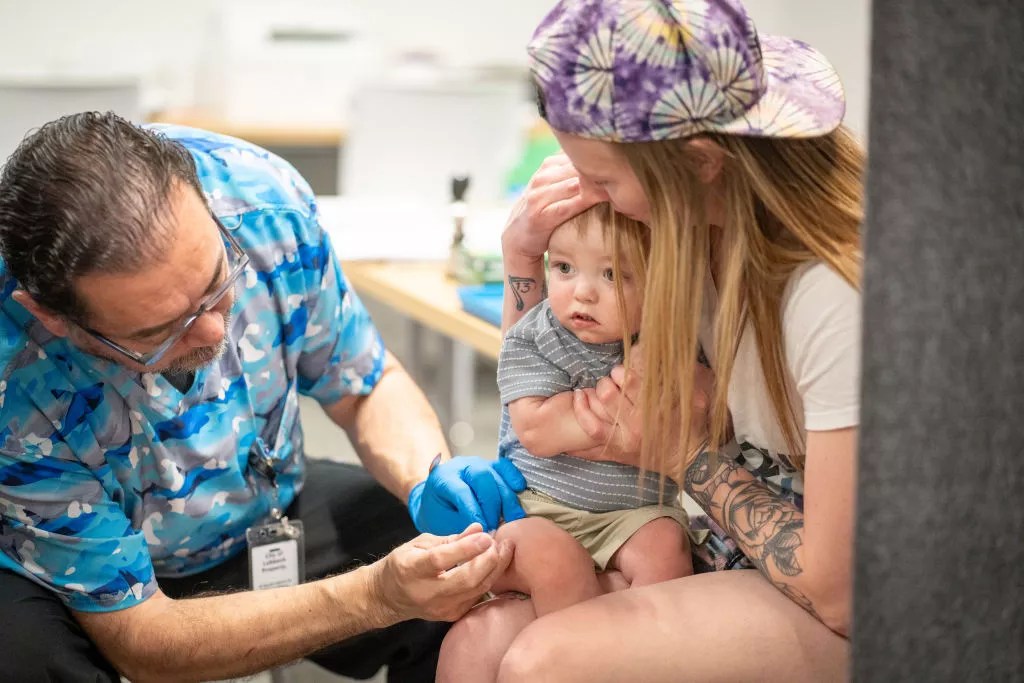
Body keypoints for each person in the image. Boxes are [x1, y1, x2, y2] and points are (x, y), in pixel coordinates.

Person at [0, 112, 524, 683]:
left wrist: (429, 478)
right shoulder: (13, 375)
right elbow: (141, 639)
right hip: (85, 572)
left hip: (264, 505)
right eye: (159, 332)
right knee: (25, 661)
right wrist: (375, 595)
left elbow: (365, 384)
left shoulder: (262, 201)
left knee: (469, 573)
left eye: (216, 285)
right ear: (52, 317)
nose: (213, 335)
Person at [438, 0, 862, 681]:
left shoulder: (830, 293)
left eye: (602, 180)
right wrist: (523, 259)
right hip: (719, 540)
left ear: (699, 163)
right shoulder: (685, 240)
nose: (587, 194)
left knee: (541, 663)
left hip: (848, 594)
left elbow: (839, 589)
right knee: (475, 645)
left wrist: (684, 452)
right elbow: (539, 377)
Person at [489, 203, 708, 619]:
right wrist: (627, 415)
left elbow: (696, 416)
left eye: (611, 274)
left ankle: (641, 658)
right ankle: (571, 661)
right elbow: (537, 430)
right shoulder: (535, 335)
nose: (582, 292)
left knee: (667, 550)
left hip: (635, 512)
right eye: (565, 268)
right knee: (554, 562)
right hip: (541, 507)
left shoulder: (670, 344)